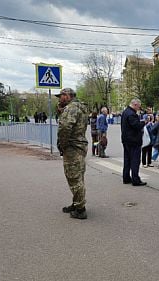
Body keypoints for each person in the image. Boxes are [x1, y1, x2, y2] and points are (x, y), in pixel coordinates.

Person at [56, 88, 88, 220]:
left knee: (74, 177)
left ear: (68, 96)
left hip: (72, 147)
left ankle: (80, 209)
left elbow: (65, 127)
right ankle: (76, 203)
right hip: (79, 146)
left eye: (62, 96)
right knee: (78, 176)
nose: (60, 99)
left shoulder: (71, 108)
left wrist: (62, 145)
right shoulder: (79, 107)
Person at [121, 99, 146, 186]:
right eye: (138, 106)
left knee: (127, 160)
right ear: (135, 104)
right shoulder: (132, 114)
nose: (139, 108)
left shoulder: (125, 112)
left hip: (126, 140)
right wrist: (144, 122)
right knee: (135, 160)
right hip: (133, 141)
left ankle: (126, 177)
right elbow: (136, 126)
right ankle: (136, 179)